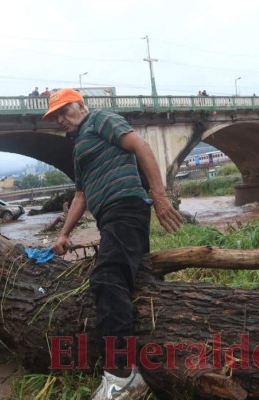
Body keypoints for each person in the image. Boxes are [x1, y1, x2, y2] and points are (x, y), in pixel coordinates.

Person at [42, 88, 182, 399]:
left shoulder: (100, 120)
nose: (60, 120)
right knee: (130, 281)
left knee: (106, 278)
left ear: (81, 105)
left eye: (64, 111)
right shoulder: (79, 147)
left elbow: (141, 146)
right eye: (55, 117)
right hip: (111, 220)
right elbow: (81, 196)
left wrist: (159, 198)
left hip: (126, 208)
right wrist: (64, 234)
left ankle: (124, 375)